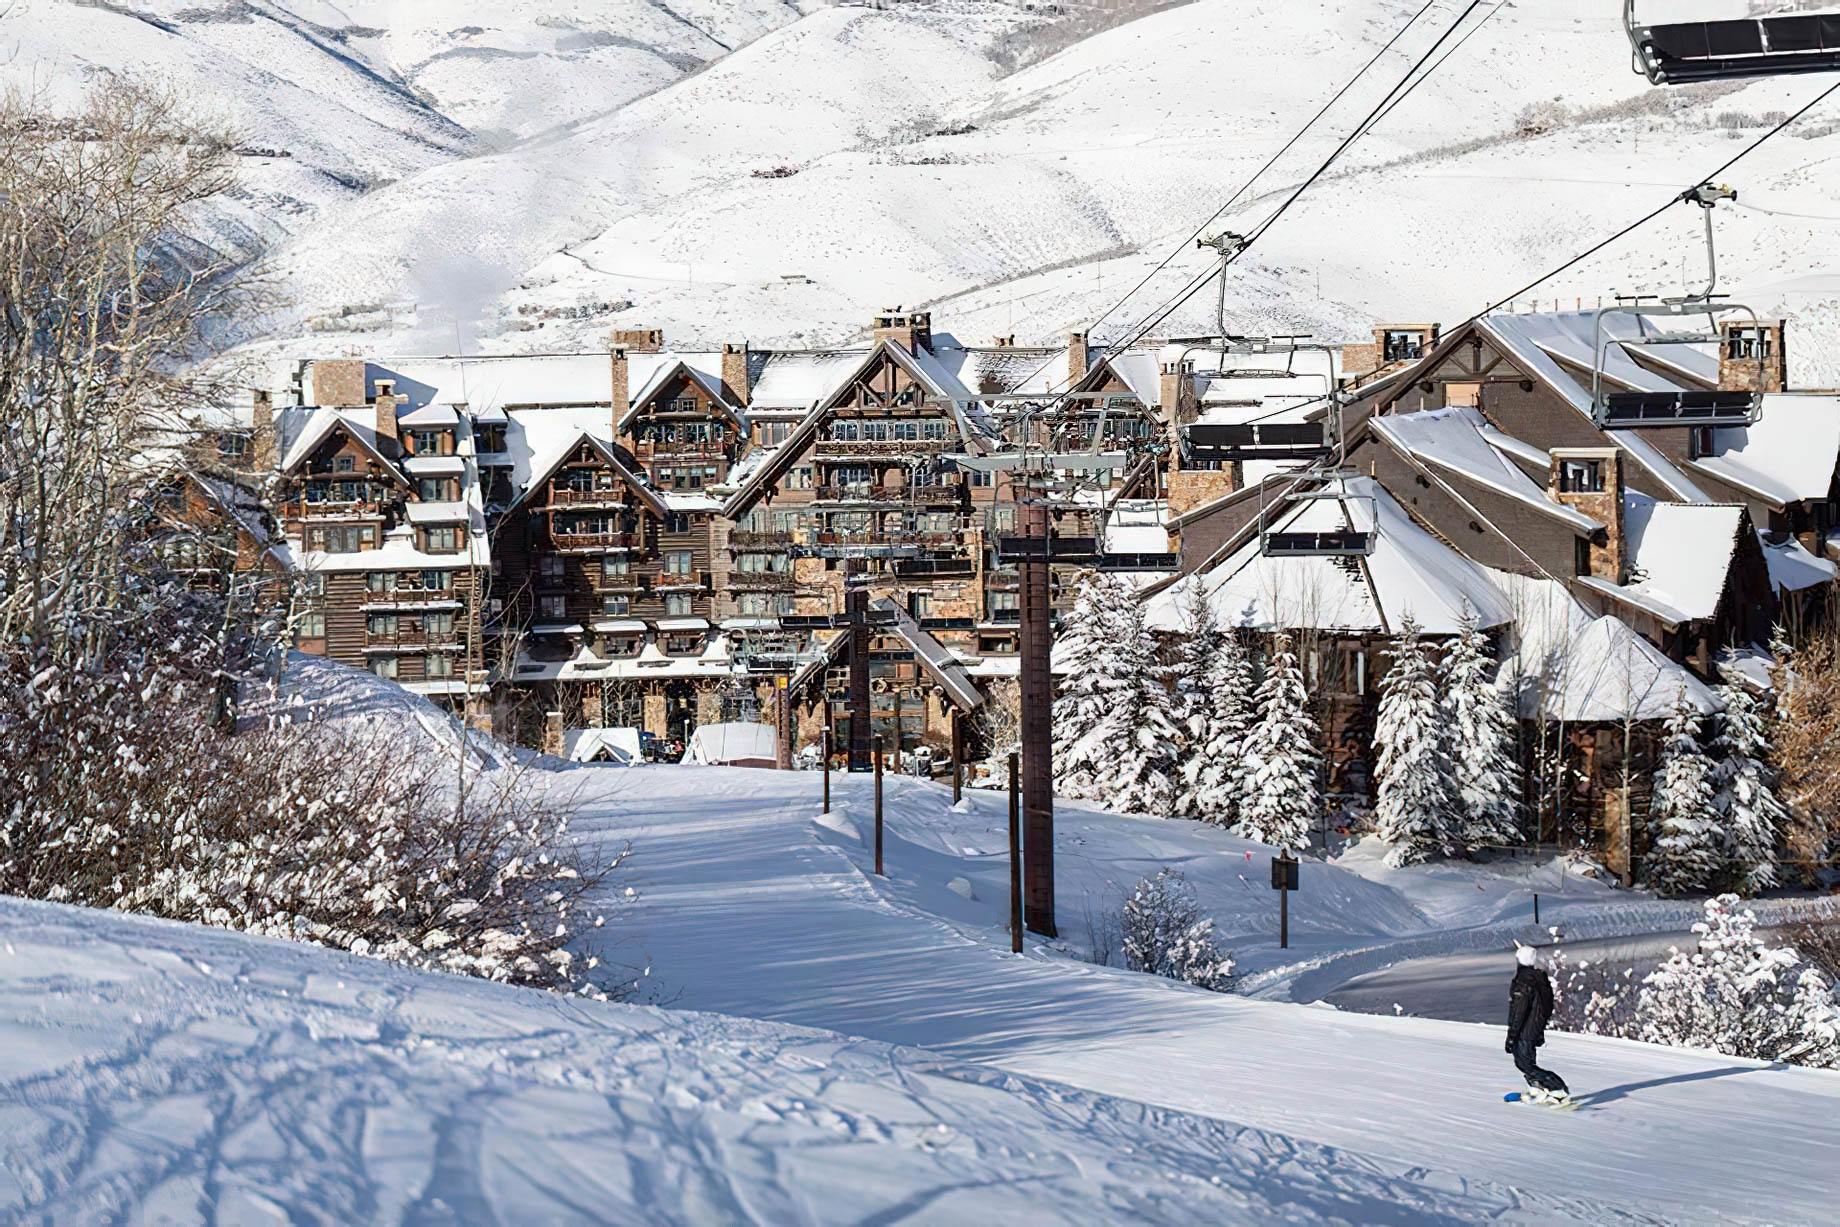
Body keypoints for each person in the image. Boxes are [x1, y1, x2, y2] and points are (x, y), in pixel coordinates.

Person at [1506, 945, 1568, 1098]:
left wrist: (1512, 1035)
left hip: (1525, 1029)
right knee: (1526, 1061)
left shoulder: (1523, 981)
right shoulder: (1540, 979)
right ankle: (1538, 1087)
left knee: (1524, 1063)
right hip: (1535, 1027)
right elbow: (1548, 1006)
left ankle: (1556, 1087)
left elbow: (1518, 1011)